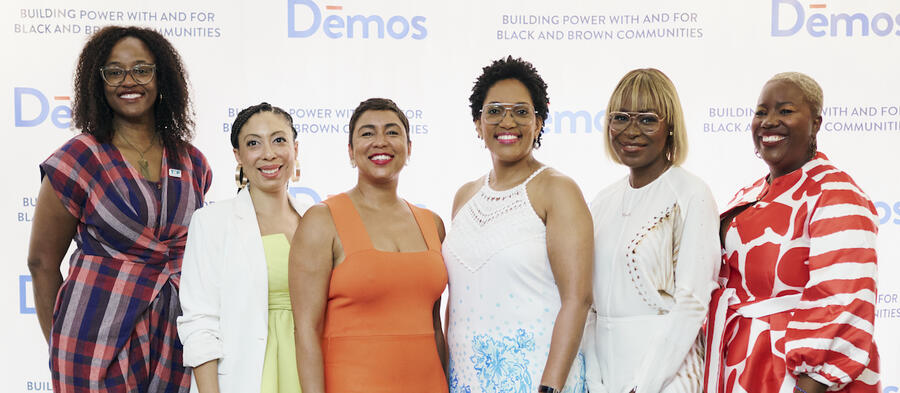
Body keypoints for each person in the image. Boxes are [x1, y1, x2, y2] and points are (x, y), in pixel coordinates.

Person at [26, 25, 211, 392]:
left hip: (172, 342)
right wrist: (62, 346)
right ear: (99, 82)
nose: (130, 81)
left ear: (162, 78)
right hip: (92, 340)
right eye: (115, 71)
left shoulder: (192, 162)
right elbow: (42, 263)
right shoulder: (78, 158)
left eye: (142, 69)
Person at [705, 72, 881, 393]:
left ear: (816, 124)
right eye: (762, 112)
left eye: (785, 111)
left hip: (793, 376)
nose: (770, 121)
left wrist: (809, 383)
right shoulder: (748, 194)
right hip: (741, 365)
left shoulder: (835, 191)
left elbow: (843, 299)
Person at [442, 56, 592, 393]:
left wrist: (549, 387)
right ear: (478, 124)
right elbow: (457, 298)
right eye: (494, 111)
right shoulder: (464, 196)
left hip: (537, 378)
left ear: (538, 123)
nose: (507, 121)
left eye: (521, 112)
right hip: (466, 379)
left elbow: (578, 299)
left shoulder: (556, 189)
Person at [290, 98, 448, 393]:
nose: (380, 142)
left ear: (409, 148)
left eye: (392, 132)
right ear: (351, 152)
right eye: (367, 133)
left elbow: (435, 326)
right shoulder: (322, 220)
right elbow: (306, 331)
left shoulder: (432, 224)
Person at [581, 68, 720, 393]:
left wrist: (643, 387)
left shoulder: (691, 194)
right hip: (604, 375)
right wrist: (594, 379)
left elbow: (692, 303)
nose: (631, 131)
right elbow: (589, 306)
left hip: (669, 378)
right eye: (620, 118)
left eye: (647, 119)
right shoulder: (601, 202)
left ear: (670, 127)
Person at [178, 103, 307, 393]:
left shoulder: (317, 221)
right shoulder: (211, 222)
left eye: (279, 140)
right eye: (253, 143)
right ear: (238, 156)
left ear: (295, 149)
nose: (269, 153)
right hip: (244, 380)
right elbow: (199, 323)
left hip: (310, 376)